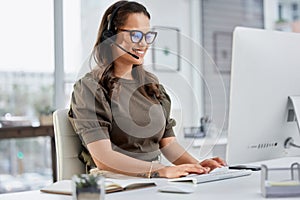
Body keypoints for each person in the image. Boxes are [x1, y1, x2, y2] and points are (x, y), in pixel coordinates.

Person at [68, 0, 226, 179]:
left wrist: (197, 166)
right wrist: (159, 170)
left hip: (154, 182)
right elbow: (104, 158)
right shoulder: (90, 88)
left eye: (148, 36)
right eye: (135, 35)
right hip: (116, 184)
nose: (143, 44)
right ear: (110, 36)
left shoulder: (152, 86)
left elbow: (168, 145)